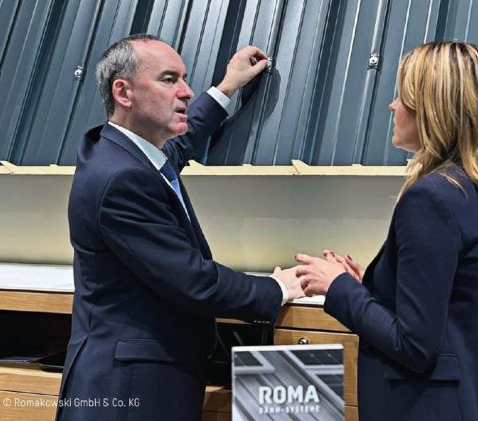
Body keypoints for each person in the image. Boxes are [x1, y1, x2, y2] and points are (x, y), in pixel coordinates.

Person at [56, 34, 303, 421]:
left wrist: (227, 87)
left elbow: (179, 146)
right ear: (123, 92)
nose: (186, 91)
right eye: (169, 79)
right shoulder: (121, 179)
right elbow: (193, 281)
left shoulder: (121, 151)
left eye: (184, 79)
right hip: (130, 390)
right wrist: (277, 288)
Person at [294, 42, 478, 421]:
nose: (392, 106)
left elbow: (414, 346)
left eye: (403, 97)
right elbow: (457, 303)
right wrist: (371, 287)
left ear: (433, 108)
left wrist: (338, 287)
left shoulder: (431, 198)